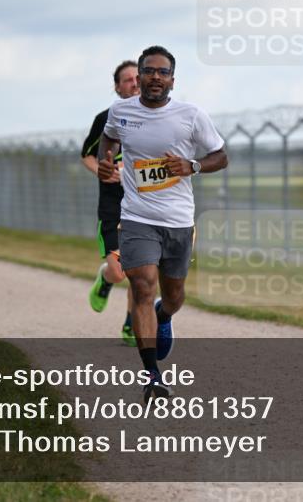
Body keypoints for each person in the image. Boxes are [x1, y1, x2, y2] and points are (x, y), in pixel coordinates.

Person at [97, 46, 228, 402]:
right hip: (138, 217)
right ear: (138, 78)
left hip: (178, 222)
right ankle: (153, 376)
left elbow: (221, 155)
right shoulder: (121, 112)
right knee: (142, 286)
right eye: (149, 71)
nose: (156, 77)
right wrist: (106, 161)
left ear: (172, 79)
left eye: (163, 72)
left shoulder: (190, 115)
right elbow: (108, 138)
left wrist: (193, 166)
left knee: (173, 296)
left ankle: (164, 315)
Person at [81, 60, 139, 346]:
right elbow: (86, 155)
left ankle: (131, 324)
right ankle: (105, 278)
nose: (134, 82)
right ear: (117, 87)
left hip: (144, 207)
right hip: (113, 206)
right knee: (120, 270)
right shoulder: (106, 118)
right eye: (127, 79)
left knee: (141, 270)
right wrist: (104, 173)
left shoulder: (158, 118)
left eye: (137, 77)